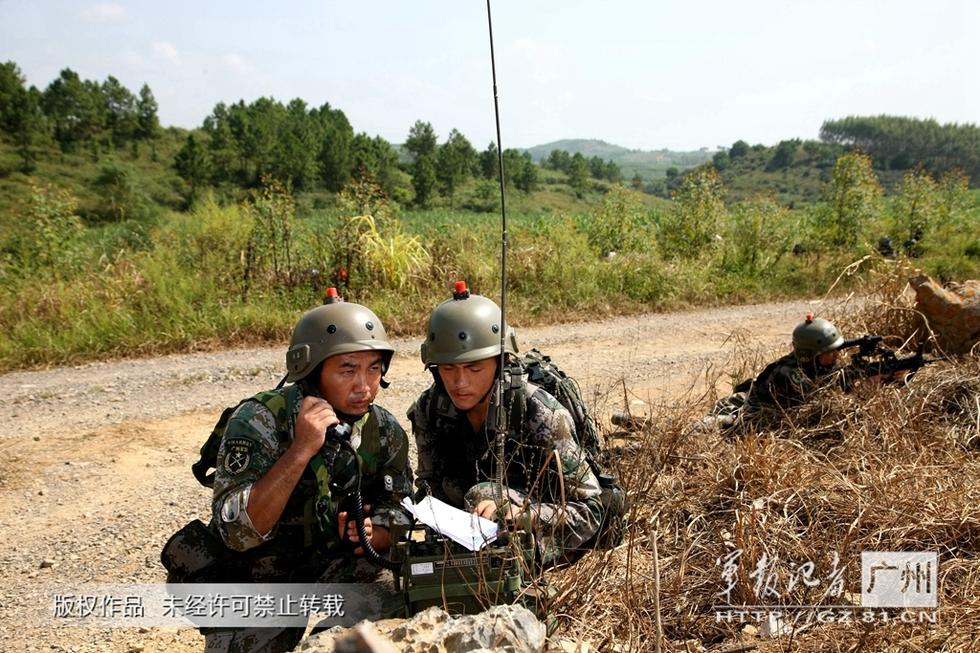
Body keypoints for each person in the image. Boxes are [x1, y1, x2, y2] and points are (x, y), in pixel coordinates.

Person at [189, 293, 413, 652]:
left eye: (374, 368)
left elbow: (402, 507)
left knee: (392, 590)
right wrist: (301, 449)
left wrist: (378, 532)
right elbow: (236, 533)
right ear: (312, 371)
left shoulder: (382, 430)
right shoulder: (259, 420)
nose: (364, 385)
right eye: (347, 369)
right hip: (261, 572)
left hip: (336, 564)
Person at [408, 281, 604, 566]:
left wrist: (524, 515)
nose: (459, 383)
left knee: (482, 495)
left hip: (539, 523)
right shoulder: (432, 408)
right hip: (472, 528)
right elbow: (430, 488)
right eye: (448, 369)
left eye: (474, 368)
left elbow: (592, 510)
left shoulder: (541, 413)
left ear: (501, 364)